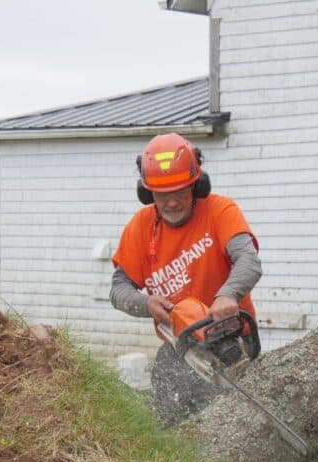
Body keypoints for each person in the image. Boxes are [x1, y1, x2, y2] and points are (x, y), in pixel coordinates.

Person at [110, 133, 262, 425]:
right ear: (147, 193)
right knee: (169, 419)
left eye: (180, 192)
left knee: (237, 423)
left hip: (232, 337)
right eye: (162, 194)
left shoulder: (220, 211)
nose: (172, 203)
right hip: (179, 345)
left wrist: (227, 294)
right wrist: (145, 303)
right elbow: (118, 289)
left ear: (197, 185)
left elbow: (249, 261)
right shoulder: (140, 228)